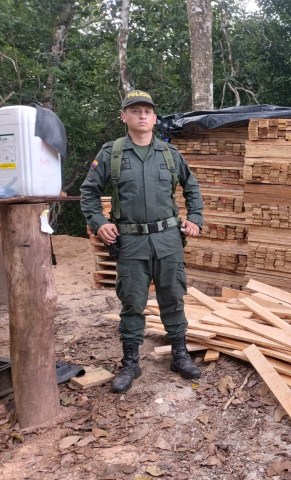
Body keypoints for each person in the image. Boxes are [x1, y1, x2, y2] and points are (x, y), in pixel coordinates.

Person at [80, 90, 204, 393]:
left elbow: (193, 188)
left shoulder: (169, 154)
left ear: (155, 118)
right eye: (135, 111)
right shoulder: (113, 153)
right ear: (124, 117)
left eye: (147, 111)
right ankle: (131, 362)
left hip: (168, 241)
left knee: (173, 298)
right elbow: (88, 193)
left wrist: (195, 219)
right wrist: (99, 223)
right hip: (132, 242)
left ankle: (179, 355)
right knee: (132, 303)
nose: (143, 115)